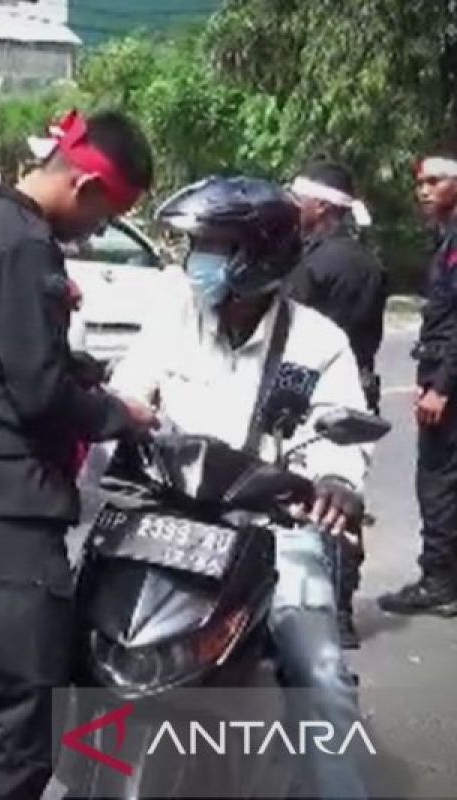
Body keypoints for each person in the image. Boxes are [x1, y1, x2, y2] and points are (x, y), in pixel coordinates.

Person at [109, 176, 371, 799]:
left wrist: (337, 479)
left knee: (320, 675)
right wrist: (116, 416)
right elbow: (128, 391)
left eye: (214, 246)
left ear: (259, 257)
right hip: (169, 525)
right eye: (197, 245)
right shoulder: (173, 317)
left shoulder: (316, 343)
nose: (196, 260)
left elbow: (341, 434)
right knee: (89, 642)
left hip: (270, 533)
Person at [0, 109, 156, 800]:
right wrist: (122, 415)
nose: (98, 230)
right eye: (106, 215)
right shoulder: (23, 246)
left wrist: (80, 370)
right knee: (27, 714)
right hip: (11, 503)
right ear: (85, 186)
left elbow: (5, 358)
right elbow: (37, 393)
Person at [288, 160, 389, 647]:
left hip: (316, 392)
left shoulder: (312, 265)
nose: (294, 206)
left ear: (322, 206)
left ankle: (318, 609)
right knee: (344, 494)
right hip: (360, 388)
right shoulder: (367, 261)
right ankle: (342, 610)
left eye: (299, 198)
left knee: (315, 497)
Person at [379, 150, 457, 617]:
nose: (422, 191)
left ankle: (438, 583)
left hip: (448, 380)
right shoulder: (446, 238)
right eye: (420, 183)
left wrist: (441, 386)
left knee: (438, 480)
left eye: (434, 181)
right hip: (441, 371)